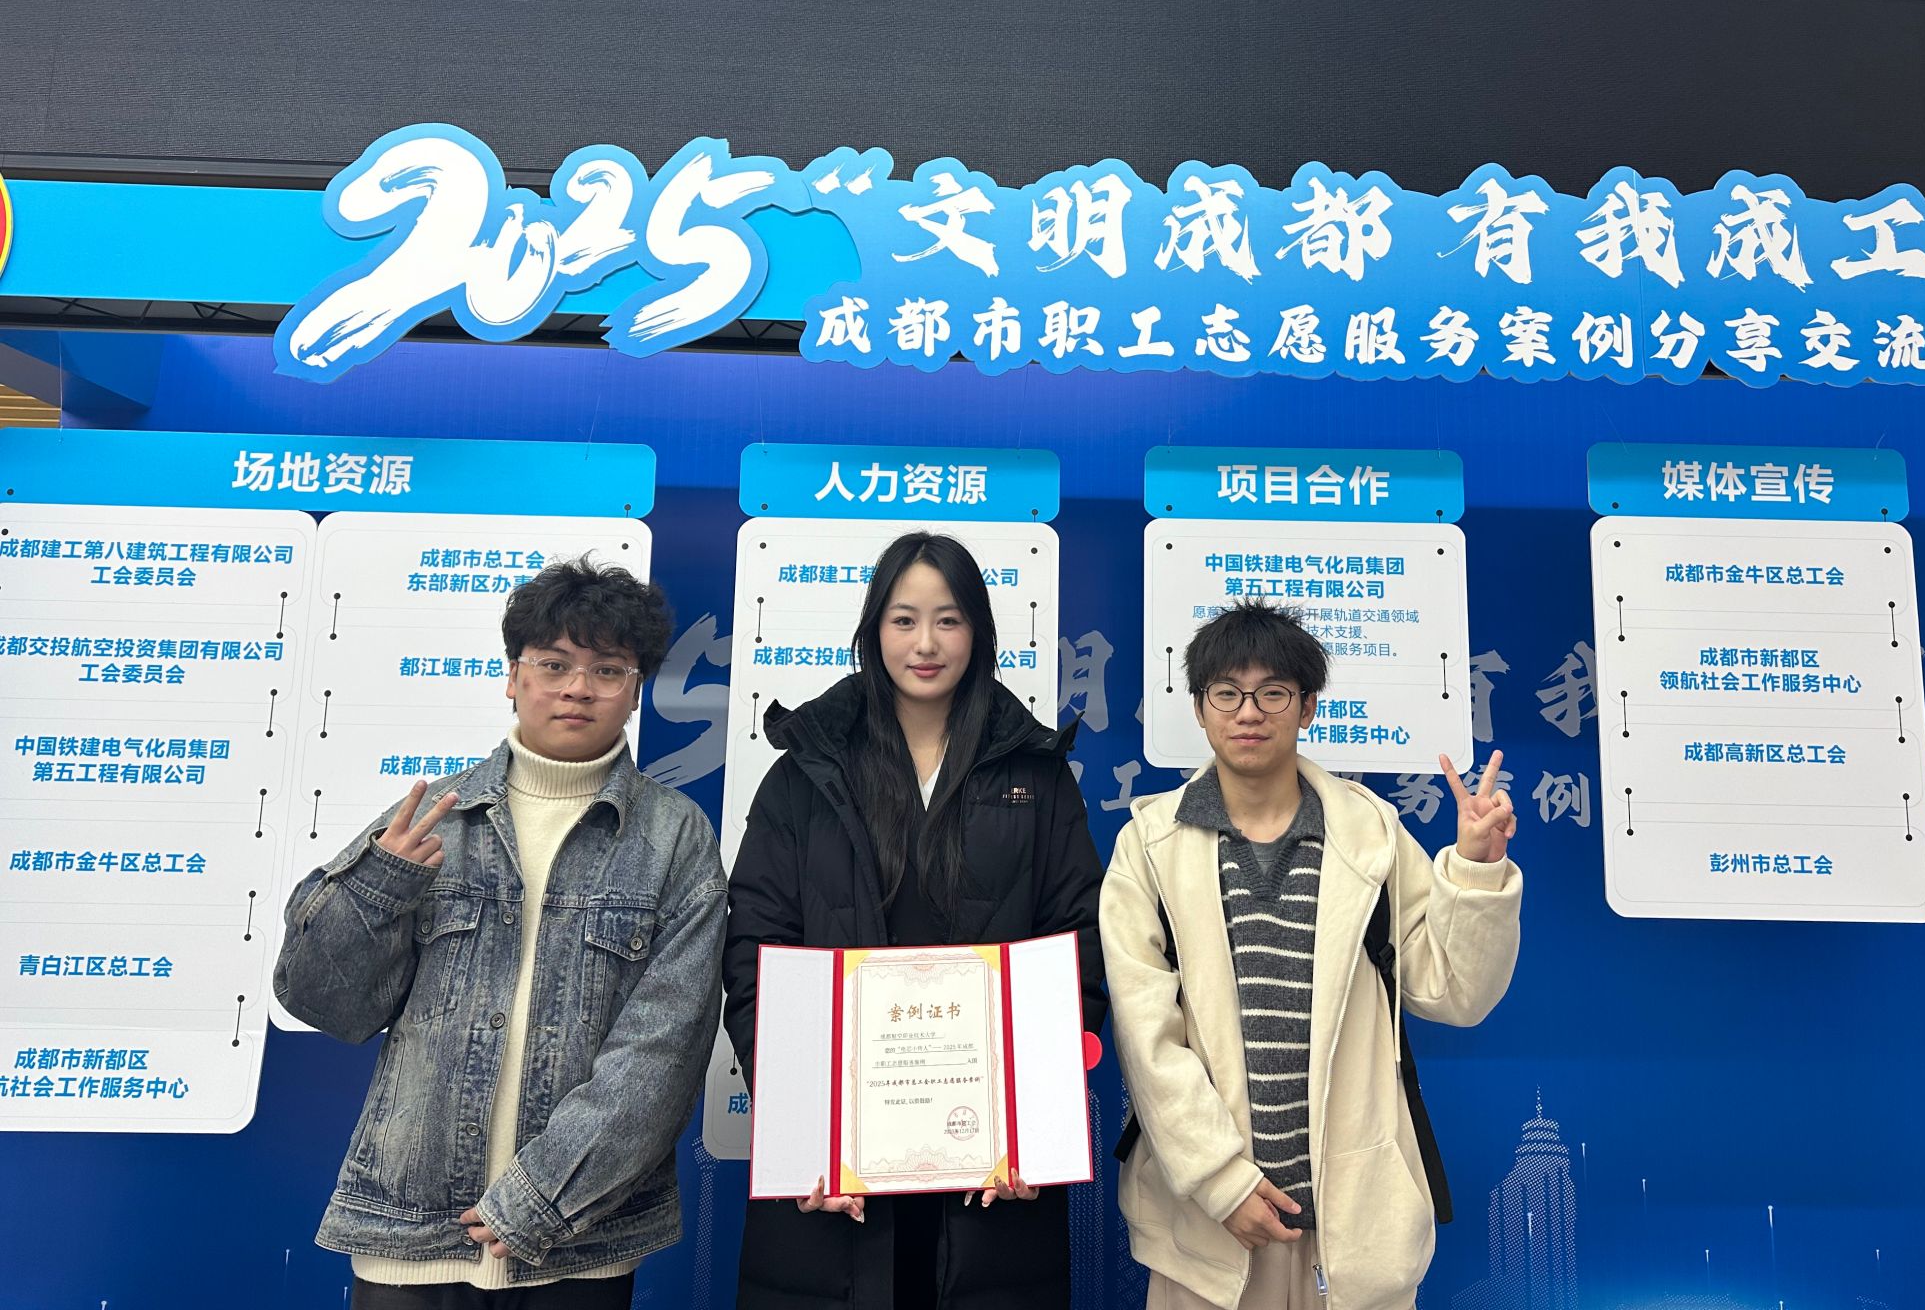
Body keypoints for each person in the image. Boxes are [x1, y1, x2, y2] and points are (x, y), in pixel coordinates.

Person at [274, 557, 727, 1307]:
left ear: (635, 688)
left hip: (578, 1247)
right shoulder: (438, 818)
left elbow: (665, 1047)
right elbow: (324, 1002)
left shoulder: (675, 837)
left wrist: (540, 1199)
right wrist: (381, 885)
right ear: (513, 676)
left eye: (607, 670)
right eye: (554, 664)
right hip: (411, 1232)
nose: (578, 688)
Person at [722, 530, 1107, 1310]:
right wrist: (806, 1132)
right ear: (874, 631)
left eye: (948, 619)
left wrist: (1033, 1127)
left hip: (993, 1180)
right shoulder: (804, 776)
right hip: (834, 1181)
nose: (925, 643)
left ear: (979, 632)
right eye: (903, 620)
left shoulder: (1037, 777)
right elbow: (756, 956)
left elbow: (1080, 951)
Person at [1102, 601, 1521, 1310]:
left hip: (1353, 1228)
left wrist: (1476, 871)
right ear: (1200, 709)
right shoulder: (1149, 845)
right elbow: (1147, 1037)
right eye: (1227, 693)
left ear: (1307, 707)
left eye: (1273, 692)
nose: (1249, 712)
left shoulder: (1371, 834)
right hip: (1210, 1235)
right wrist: (1221, 1184)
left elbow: (1454, 991)